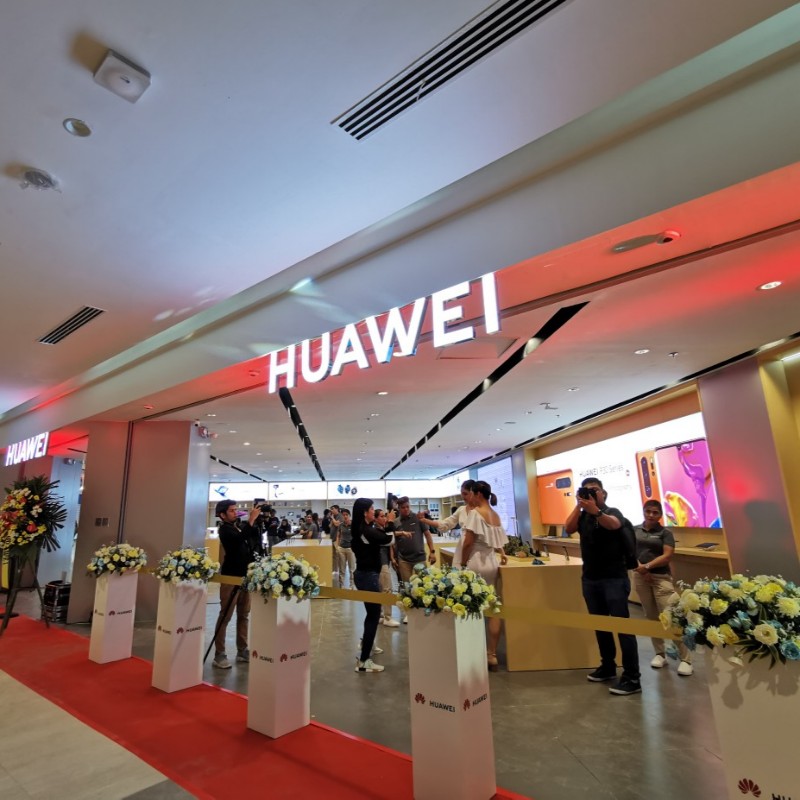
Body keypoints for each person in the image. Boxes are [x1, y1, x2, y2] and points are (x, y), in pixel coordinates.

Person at [565, 477, 641, 696]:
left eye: (594, 490)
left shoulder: (612, 511)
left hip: (614, 578)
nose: (590, 493)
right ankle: (608, 666)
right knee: (600, 625)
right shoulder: (582, 516)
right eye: (586, 491)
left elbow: (614, 524)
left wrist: (596, 511)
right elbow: (568, 528)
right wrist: (579, 505)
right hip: (590, 578)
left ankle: (632, 677)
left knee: (623, 628)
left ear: (603, 493)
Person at [633, 499, 693, 676]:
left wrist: (647, 567)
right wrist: (642, 570)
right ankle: (660, 654)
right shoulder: (635, 530)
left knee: (671, 617)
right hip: (640, 576)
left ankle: (686, 659)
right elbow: (629, 552)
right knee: (651, 616)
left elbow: (667, 556)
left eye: (655, 512)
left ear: (660, 515)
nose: (651, 515)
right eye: (648, 511)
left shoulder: (665, 533)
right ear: (643, 511)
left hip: (661, 578)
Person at [453, 480, 508, 670]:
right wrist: (502, 553)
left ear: (477, 494)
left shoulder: (476, 514)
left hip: (475, 562)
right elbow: (498, 542)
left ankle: (472, 652)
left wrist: (462, 563)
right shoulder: (495, 515)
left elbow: (468, 542)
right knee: (492, 607)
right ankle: (491, 654)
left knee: (470, 605)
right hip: (491, 563)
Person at [212, 499, 263, 669]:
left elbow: (251, 538)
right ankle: (219, 654)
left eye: (236, 510)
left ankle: (242, 650)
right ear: (222, 515)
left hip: (244, 576)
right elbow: (238, 541)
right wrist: (251, 520)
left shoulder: (237, 526)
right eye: (232, 510)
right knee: (225, 616)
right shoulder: (224, 530)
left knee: (244, 614)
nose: (235, 512)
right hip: (230, 578)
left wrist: (255, 523)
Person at [351, 497, 396, 673]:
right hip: (367, 576)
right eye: (371, 509)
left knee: (371, 614)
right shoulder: (366, 530)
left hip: (365, 575)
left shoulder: (362, 529)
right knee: (374, 615)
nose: (374, 511)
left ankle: (367, 644)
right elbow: (389, 540)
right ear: (364, 512)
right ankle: (363, 661)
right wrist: (390, 522)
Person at [391, 497, 437, 623]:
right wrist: (393, 558)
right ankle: (409, 613)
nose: (406, 509)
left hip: (419, 558)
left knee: (422, 585)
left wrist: (432, 552)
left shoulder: (418, 518)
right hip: (403, 559)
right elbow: (392, 540)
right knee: (407, 587)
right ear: (399, 508)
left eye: (407, 507)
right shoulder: (396, 522)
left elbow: (427, 535)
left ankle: (424, 610)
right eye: (403, 508)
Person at [374, 508, 401, 627]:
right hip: (381, 563)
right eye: (381, 516)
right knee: (386, 589)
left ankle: (380, 615)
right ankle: (387, 617)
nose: (384, 518)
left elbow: (389, 543)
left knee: (381, 589)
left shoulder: (381, 530)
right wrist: (390, 521)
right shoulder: (376, 531)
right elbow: (390, 540)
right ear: (375, 519)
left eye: (385, 516)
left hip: (383, 562)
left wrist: (392, 558)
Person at [335, 509, 356, 589]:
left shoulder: (354, 525)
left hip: (351, 549)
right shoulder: (341, 525)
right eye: (343, 515)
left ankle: (351, 585)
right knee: (342, 569)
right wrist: (337, 546)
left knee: (352, 569)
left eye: (346, 515)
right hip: (342, 549)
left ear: (349, 515)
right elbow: (338, 536)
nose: (345, 516)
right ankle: (341, 585)